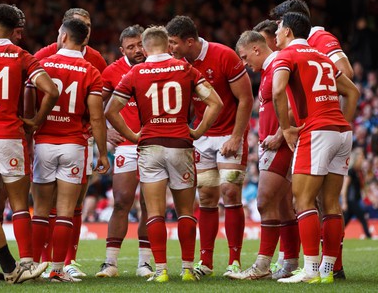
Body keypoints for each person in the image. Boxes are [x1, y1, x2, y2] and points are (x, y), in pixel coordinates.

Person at [105, 26, 223, 282]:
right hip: (181, 144)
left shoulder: (135, 72)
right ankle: (188, 269)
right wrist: (198, 130)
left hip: (151, 146)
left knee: (155, 212)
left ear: (146, 48)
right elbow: (216, 102)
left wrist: (135, 135)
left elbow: (111, 110)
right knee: (185, 212)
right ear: (168, 46)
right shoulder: (185, 69)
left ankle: (159, 270)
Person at [270, 0, 354, 279]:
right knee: (331, 204)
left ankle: (310, 270)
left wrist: (286, 128)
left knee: (303, 201)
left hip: (316, 130)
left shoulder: (287, 55)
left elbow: (278, 91)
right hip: (342, 132)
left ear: (289, 32)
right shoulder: (322, 57)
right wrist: (343, 122)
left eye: (278, 28)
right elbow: (352, 91)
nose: (275, 34)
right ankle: (328, 269)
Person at [166, 15, 254, 278]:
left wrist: (237, 136)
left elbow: (246, 99)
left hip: (229, 133)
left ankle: (235, 261)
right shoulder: (178, 64)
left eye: (174, 42)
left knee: (229, 192)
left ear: (189, 41)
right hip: (202, 136)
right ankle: (206, 262)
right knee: (206, 197)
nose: (170, 47)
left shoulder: (224, 55)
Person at [0, 3, 59, 283]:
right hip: (10, 136)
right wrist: (36, 120)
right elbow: (52, 90)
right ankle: (26, 264)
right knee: (19, 205)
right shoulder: (21, 56)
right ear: (14, 30)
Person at [30, 18, 109, 282]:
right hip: (74, 145)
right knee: (65, 211)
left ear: (62, 36)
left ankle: (33, 266)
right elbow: (97, 118)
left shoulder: (42, 65)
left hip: (43, 143)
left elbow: (29, 102)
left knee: (40, 210)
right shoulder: (90, 70)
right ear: (84, 40)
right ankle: (56, 269)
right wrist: (102, 153)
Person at [227, 29, 299, 280]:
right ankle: (289, 262)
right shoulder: (270, 70)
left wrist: (281, 134)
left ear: (257, 49)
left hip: (279, 144)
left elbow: (293, 105)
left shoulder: (279, 65)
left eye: (246, 57)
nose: (246, 64)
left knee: (265, 201)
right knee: (282, 206)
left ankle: (262, 265)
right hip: (275, 143)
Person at [96, 25, 153, 278]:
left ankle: (145, 263)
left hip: (154, 143)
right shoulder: (112, 71)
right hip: (127, 146)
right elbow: (94, 104)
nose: (138, 50)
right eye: (131, 47)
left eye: (140, 44)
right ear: (122, 50)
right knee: (121, 201)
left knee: (150, 205)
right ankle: (110, 263)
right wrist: (104, 131)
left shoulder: (159, 65)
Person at [341, 148, 372, 238]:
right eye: (360, 158)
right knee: (362, 216)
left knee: (346, 220)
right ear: (356, 159)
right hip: (351, 200)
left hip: (355, 200)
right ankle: (368, 235)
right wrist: (344, 202)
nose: (362, 160)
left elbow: (363, 186)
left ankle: (336, 234)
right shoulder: (350, 172)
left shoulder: (359, 172)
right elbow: (345, 187)